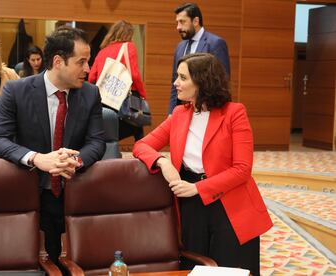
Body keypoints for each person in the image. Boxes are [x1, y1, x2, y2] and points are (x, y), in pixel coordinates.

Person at [133, 53, 272, 276]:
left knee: (230, 269)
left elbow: (242, 169)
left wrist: (198, 188)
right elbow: (141, 146)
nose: (175, 83)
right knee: (195, 266)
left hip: (229, 202)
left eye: (182, 78)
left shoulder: (234, 113)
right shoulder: (179, 114)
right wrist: (163, 162)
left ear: (202, 81)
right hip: (191, 205)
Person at [0, 26, 106, 272]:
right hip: (31, 192)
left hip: (74, 190)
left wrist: (76, 161)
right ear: (58, 61)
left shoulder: (90, 94)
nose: (88, 69)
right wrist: (37, 158)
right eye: (82, 62)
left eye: (89, 61)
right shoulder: (16, 91)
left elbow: (97, 142)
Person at [89, 20, 146, 141]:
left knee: (111, 124)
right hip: (125, 93)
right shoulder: (129, 47)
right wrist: (142, 94)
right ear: (128, 34)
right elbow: (134, 74)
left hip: (105, 96)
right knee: (137, 125)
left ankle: (108, 147)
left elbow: (92, 77)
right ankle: (142, 153)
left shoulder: (102, 51)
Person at [168, 2, 230, 114]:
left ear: (196, 21)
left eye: (182, 22)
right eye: (177, 22)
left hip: (207, 110)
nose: (178, 27)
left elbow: (223, 80)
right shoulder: (180, 46)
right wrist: (171, 113)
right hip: (182, 112)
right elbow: (174, 80)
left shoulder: (215, 44)